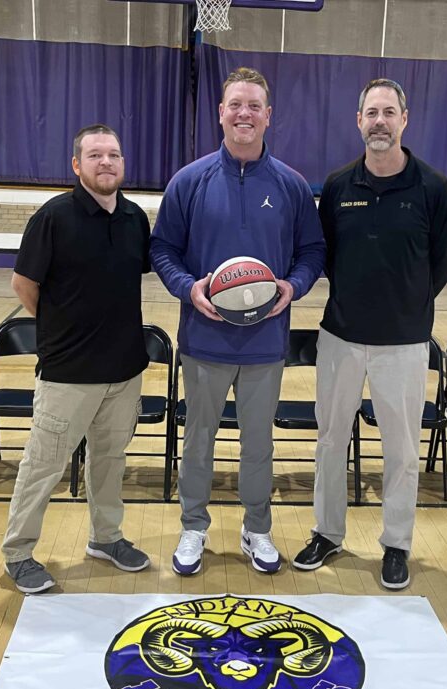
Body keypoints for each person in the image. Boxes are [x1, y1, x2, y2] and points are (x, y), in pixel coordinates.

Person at [151, 67, 325, 576]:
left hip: (266, 343)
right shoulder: (190, 180)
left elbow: (313, 251)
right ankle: (193, 527)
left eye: (254, 106)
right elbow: (163, 249)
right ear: (220, 113)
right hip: (204, 340)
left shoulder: (292, 186)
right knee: (198, 440)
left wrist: (294, 285)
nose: (244, 113)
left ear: (268, 116)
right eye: (235, 105)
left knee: (258, 445)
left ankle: (257, 529)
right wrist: (190, 288)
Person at [292, 78, 447, 590]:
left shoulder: (432, 188)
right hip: (341, 338)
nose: (380, 121)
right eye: (371, 112)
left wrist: (404, 306)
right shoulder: (339, 186)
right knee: (329, 441)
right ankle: (328, 533)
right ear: (358, 121)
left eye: (389, 112)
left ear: (404, 120)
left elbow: (443, 263)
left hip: (405, 344)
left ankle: (397, 544)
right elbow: (328, 258)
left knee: (402, 452)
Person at [1, 124, 152, 594]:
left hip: (124, 371)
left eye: (114, 154)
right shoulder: (53, 217)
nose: (106, 162)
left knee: (110, 461)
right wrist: (62, 329)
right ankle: (19, 552)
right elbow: (24, 286)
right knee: (43, 466)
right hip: (68, 373)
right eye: (95, 155)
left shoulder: (133, 218)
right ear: (76, 165)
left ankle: (106, 538)